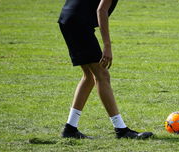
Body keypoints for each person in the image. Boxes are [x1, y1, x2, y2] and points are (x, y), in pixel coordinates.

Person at [58, 0, 153, 139]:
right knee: (102, 74)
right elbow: (101, 10)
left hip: (67, 19)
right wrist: (107, 45)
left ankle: (70, 129)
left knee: (89, 76)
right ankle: (121, 130)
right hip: (78, 22)